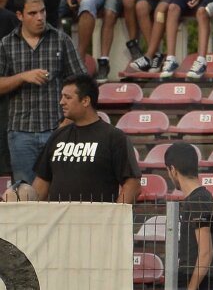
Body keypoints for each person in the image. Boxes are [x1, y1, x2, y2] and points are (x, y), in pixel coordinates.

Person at [0, 0, 87, 200]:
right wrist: (22, 77)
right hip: (20, 132)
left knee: (63, 190)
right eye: (32, 13)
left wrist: (67, 122)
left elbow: (81, 83)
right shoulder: (6, 44)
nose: (40, 17)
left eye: (42, 11)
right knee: (25, 193)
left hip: (57, 129)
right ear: (19, 15)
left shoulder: (61, 40)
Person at [31, 74, 139, 203]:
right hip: (59, 220)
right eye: (62, 97)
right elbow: (43, 180)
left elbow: (133, 185)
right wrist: (30, 215)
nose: (61, 102)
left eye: (68, 97)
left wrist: (114, 218)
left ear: (85, 101)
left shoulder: (114, 137)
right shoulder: (58, 136)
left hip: (96, 221)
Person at [164, 141, 213, 290]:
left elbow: (206, 254)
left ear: (172, 170)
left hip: (196, 286)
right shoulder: (198, 199)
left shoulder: (198, 200)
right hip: (196, 284)